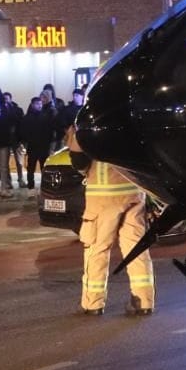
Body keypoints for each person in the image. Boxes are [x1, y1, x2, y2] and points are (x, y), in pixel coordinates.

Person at [68, 126, 154, 317]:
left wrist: (75, 134)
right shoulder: (130, 121)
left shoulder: (92, 125)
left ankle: (93, 303)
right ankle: (143, 301)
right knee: (136, 249)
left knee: (97, 249)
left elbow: (79, 162)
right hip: (134, 193)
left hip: (103, 197)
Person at [18, 96, 55, 192]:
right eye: (37, 104)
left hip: (44, 147)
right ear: (32, 105)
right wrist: (25, 142)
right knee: (31, 168)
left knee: (45, 168)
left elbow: (49, 131)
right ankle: (31, 187)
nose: (39, 105)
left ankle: (45, 186)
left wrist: (49, 143)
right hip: (32, 147)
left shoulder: (46, 116)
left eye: (40, 104)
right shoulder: (27, 118)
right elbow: (23, 132)